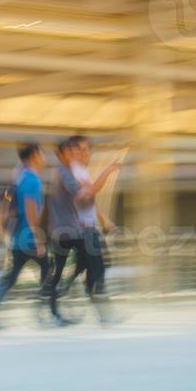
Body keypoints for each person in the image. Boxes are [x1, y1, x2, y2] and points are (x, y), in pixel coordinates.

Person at [0, 144, 63, 328]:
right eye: (42, 154)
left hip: (18, 237)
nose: (44, 158)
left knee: (12, 276)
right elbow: (30, 210)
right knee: (48, 273)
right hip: (28, 237)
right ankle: (48, 314)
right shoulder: (32, 180)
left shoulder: (20, 176)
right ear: (34, 155)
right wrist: (37, 237)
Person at [49, 135, 121, 319]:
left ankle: (65, 291)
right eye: (76, 149)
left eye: (84, 149)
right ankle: (103, 311)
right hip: (82, 229)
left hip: (87, 228)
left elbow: (89, 200)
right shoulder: (71, 172)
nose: (81, 153)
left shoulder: (81, 171)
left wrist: (105, 220)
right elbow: (89, 192)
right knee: (97, 270)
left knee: (92, 269)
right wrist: (108, 170)